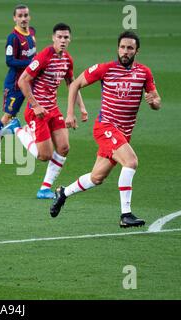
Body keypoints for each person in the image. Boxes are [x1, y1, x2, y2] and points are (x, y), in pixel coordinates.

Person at [50, 31, 161, 228]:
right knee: (131, 161)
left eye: (130, 48)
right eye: (122, 47)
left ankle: (63, 193)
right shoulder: (105, 69)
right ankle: (125, 214)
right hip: (106, 128)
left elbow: (156, 101)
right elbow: (75, 84)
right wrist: (70, 113)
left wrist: (154, 102)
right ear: (117, 48)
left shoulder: (144, 72)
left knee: (97, 177)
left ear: (137, 51)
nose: (125, 52)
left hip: (123, 133)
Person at [1, 23, 87, 199]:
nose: (63, 40)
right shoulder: (44, 57)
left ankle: (44, 189)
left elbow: (72, 84)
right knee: (44, 155)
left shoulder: (67, 59)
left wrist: (81, 108)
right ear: (53, 38)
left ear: (70, 39)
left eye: (66, 37)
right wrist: (35, 105)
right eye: (60, 37)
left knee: (63, 148)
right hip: (36, 111)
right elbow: (23, 81)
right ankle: (16, 128)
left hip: (53, 109)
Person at [0, 4, 36, 164]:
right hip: (15, 85)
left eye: (26, 15)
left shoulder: (32, 34)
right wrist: (31, 63)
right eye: (20, 16)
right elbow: (9, 61)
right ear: (14, 18)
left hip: (28, 83)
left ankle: (35, 137)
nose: (23, 18)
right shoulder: (13, 38)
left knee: (36, 108)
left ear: (29, 17)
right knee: (8, 117)